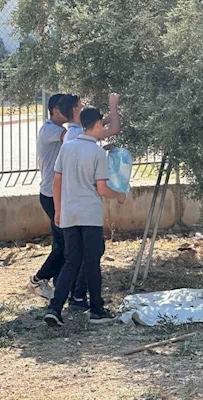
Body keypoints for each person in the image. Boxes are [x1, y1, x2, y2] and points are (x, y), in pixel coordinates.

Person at [44, 107, 127, 326]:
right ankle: (96, 309)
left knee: (71, 262)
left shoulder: (67, 148)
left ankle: (55, 307)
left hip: (69, 213)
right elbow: (101, 189)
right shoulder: (97, 153)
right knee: (91, 262)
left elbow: (56, 181)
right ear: (98, 124)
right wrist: (119, 194)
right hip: (89, 214)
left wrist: (58, 210)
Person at [28, 93, 68, 300]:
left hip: (56, 193)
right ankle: (38, 279)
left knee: (60, 241)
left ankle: (59, 282)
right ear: (55, 111)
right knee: (65, 244)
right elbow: (77, 138)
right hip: (52, 195)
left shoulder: (58, 130)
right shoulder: (52, 130)